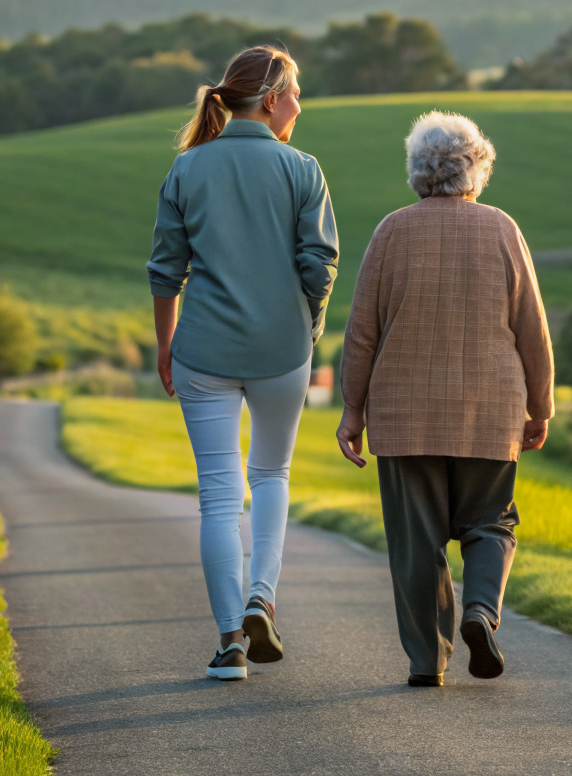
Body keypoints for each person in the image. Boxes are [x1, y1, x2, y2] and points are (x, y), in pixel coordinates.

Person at [337, 111, 554, 687]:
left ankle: (426, 662)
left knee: (417, 541)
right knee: (491, 522)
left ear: (418, 172)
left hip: (404, 413)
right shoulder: (502, 229)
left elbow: (362, 330)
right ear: (475, 169)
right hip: (491, 410)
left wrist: (352, 409)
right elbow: (531, 325)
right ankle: (482, 612)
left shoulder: (391, 231)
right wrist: (542, 404)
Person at [147, 46, 338, 681]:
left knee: (218, 494)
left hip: (201, 349)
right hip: (283, 349)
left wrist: (164, 346)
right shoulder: (303, 168)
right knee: (273, 475)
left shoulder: (186, 168)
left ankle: (231, 642)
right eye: (298, 94)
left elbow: (165, 271)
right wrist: (306, 329)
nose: (302, 107)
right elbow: (320, 264)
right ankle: (263, 597)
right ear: (275, 97)